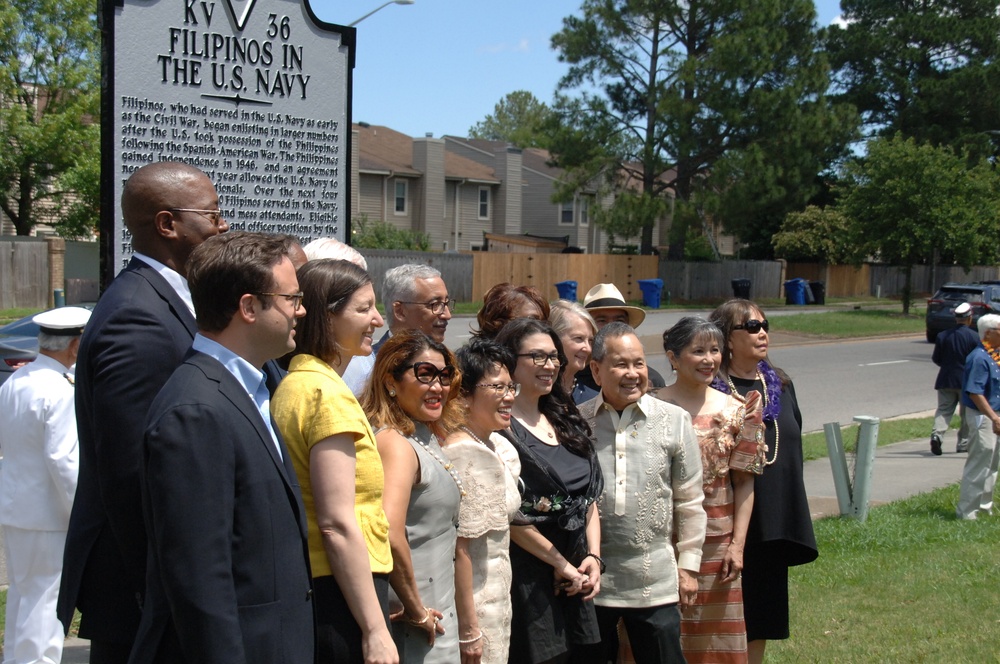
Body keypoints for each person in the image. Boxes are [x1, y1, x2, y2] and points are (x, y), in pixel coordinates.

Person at [59, 161, 229, 662]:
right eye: (213, 215)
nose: (223, 226)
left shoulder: (172, 300)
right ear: (167, 224)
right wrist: (172, 589)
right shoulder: (138, 317)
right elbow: (134, 472)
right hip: (143, 595)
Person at [130, 232, 313, 663]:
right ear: (249, 307)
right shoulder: (195, 411)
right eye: (292, 298)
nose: (300, 310)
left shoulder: (257, 384)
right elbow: (199, 579)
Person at [271, 258, 397, 664]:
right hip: (342, 592)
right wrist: (375, 629)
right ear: (326, 316)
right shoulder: (326, 394)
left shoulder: (297, 382)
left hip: (321, 586)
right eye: (363, 309)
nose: (377, 319)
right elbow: (337, 523)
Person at [576, 322, 707, 664]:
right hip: (592, 581)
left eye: (639, 363)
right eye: (621, 364)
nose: (633, 373)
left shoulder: (674, 420)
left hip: (656, 581)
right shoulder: (576, 423)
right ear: (596, 369)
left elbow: (690, 500)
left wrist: (689, 567)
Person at [708, 299, 818, 664]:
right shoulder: (712, 389)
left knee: (761, 615)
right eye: (751, 327)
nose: (762, 333)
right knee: (720, 613)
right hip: (725, 518)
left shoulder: (781, 384)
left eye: (765, 325)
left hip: (772, 519)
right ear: (727, 337)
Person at [494, 318, 603, 663]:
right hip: (528, 578)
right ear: (510, 361)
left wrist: (593, 558)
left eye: (555, 357)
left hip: (577, 570)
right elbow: (510, 513)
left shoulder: (565, 417)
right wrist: (560, 564)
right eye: (538, 357)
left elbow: (587, 499)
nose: (551, 365)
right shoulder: (499, 429)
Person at [657, 317, 765, 663]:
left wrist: (738, 545)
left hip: (717, 545)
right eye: (698, 351)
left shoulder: (739, 410)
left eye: (715, 350)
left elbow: (745, 481)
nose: (709, 359)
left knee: (713, 641)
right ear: (673, 358)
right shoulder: (647, 406)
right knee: (658, 634)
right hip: (658, 540)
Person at [360, 330, 464, 663]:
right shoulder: (395, 444)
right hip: (418, 622)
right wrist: (416, 609)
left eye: (444, 376)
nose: (438, 387)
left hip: (438, 611)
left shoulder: (422, 435)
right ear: (391, 381)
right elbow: (389, 534)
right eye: (425, 374)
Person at [0, 306, 91, 664]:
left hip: (16, 507)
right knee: (46, 605)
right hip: (49, 514)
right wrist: (79, 514)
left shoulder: (16, 381)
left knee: (24, 597)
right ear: (74, 345)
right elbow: (64, 460)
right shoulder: (60, 390)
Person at [443, 338, 522, 664]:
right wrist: (469, 629)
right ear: (464, 394)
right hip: (474, 606)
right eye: (498, 388)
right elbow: (459, 550)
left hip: (499, 598)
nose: (510, 397)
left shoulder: (498, 445)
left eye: (511, 386)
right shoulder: (463, 453)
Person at [343, 264, 454, 393]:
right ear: (400, 311)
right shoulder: (366, 371)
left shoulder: (450, 365)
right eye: (435, 305)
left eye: (446, 303)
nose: (447, 315)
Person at [576, 283, 666, 390]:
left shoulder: (650, 380)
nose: (611, 326)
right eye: (602, 320)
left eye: (619, 321)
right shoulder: (571, 380)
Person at [955, 314, 1000, 520]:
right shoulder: (979, 357)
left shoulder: (995, 355)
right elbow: (975, 392)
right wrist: (994, 418)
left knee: (992, 463)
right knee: (979, 461)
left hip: (995, 415)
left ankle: (984, 506)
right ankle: (967, 511)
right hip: (984, 416)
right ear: (988, 333)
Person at [931, 302, 978, 455]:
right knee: (965, 414)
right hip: (966, 381)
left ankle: (937, 434)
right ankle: (963, 443)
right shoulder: (974, 337)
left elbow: (936, 358)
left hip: (945, 379)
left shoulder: (942, 336)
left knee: (944, 410)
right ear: (969, 317)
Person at [549, 299, 599, 404]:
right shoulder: (530, 396)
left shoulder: (594, 401)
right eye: (579, 338)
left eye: (590, 340)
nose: (588, 348)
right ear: (553, 338)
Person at [473, 283, 549, 339]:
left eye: (544, 322)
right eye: (532, 319)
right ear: (499, 324)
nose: (541, 327)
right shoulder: (483, 360)